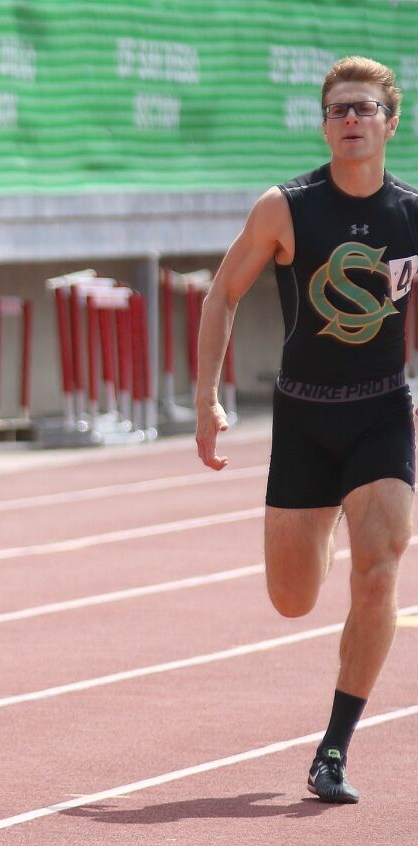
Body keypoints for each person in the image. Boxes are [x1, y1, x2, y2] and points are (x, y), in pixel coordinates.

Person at [195, 56, 415, 804]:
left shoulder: (413, 214)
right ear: (324, 124)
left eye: (364, 109)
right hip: (304, 417)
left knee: (381, 566)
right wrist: (206, 399)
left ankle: (333, 749)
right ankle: (320, 524)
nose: (351, 119)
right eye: (337, 110)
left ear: (391, 121)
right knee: (293, 598)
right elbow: (223, 293)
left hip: (383, 411)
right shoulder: (285, 209)